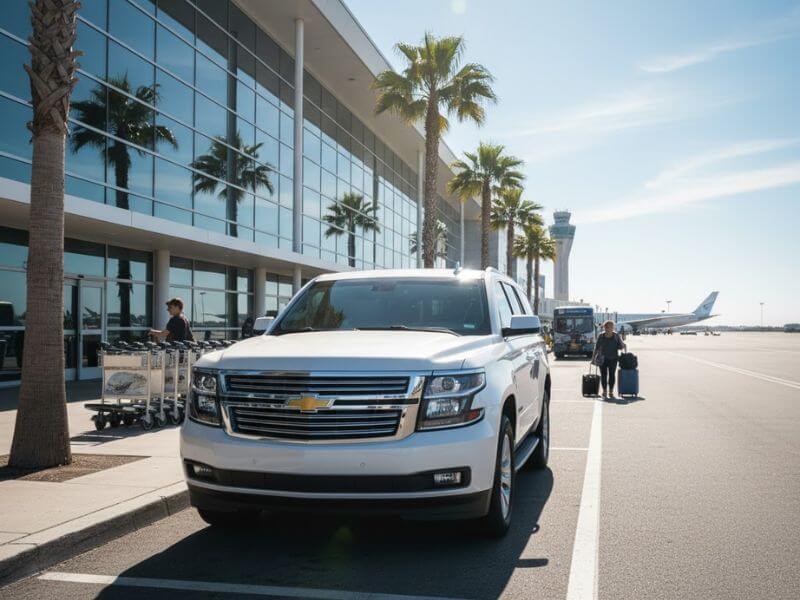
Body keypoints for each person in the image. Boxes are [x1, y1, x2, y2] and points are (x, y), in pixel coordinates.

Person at [594, 320, 626, 397]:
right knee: (603, 375)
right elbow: (596, 348)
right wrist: (593, 359)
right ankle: (604, 390)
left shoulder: (616, 336)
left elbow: (621, 346)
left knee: (612, 375)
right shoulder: (601, 336)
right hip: (602, 359)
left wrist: (622, 341)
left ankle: (611, 391)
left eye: (611, 327)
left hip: (613, 358)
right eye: (607, 327)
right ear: (604, 328)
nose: (609, 329)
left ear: (613, 328)